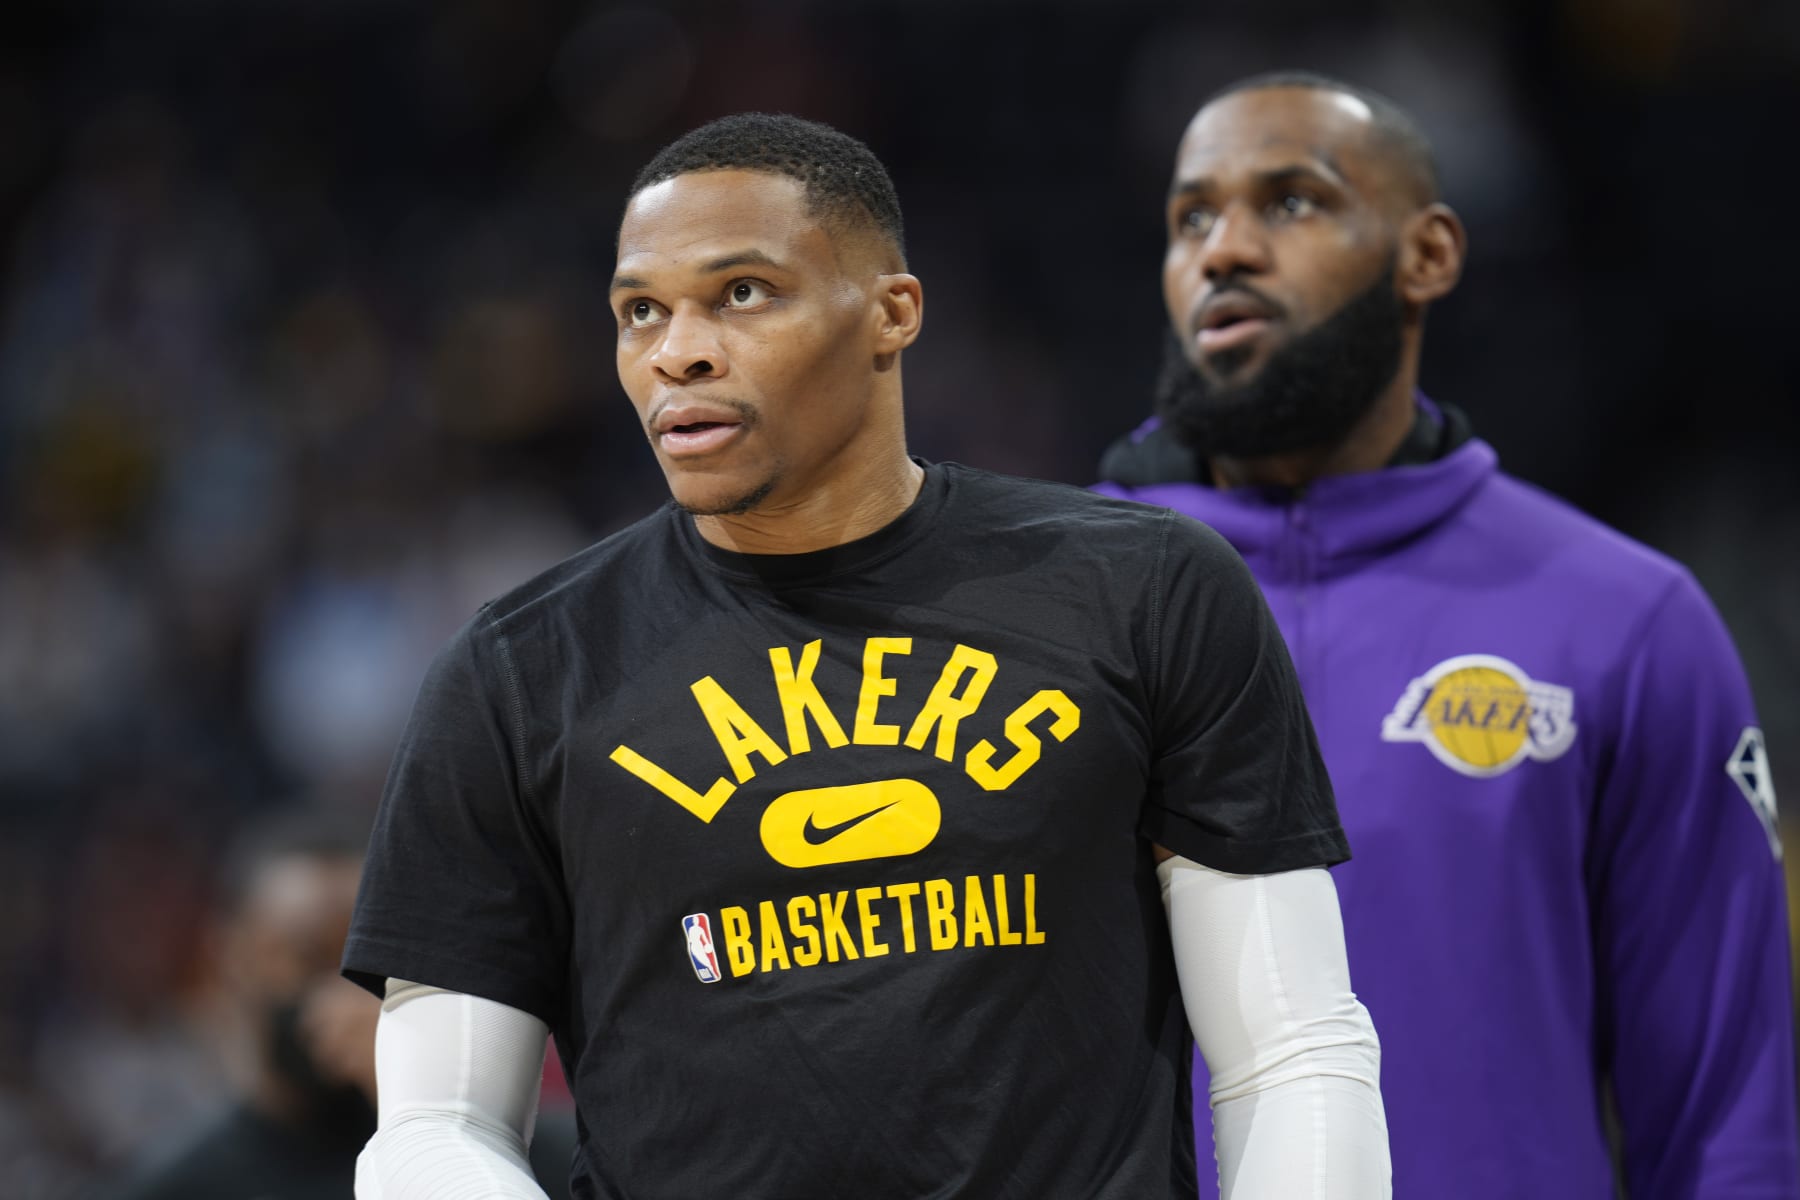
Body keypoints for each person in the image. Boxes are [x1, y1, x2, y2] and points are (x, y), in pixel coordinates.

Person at [341, 112, 1391, 1198]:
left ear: (892, 313)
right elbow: (437, 1130)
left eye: (742, 294)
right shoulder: (518, 672)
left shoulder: (1148, 592)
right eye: (639, 311)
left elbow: (1293, 1047)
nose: (676, 351)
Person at [1095, 70, 1799, 1198]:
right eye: (1192, 217)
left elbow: (1728, 1117)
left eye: (1290, 203)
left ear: (1427, 254)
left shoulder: (1627, 620)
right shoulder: (1052, 615)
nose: (1224, 249)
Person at [112, 816, 576, 1200]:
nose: (345, 996)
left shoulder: (532, 1155)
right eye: (308, 956)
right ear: (231, 956)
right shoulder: (173, 1186)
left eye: (366, 960)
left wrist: (417, 1111)